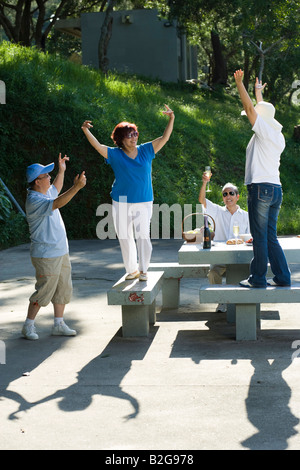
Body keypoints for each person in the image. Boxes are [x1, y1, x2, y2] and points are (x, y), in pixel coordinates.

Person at [81, 104, 175, 281]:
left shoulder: (146, 150)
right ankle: (132, 270)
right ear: (120, 139)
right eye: (129, 135)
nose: (134, 137)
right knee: (124, 237)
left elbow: (164, 137)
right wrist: (86, 131)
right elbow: (98, 146)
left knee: (143, 236)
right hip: (121, 200)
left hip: (143, 200)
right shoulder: (115, 154)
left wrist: (171, 119)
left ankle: (144, 269)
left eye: (135, 134)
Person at [234, 69, 291, 287]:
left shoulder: (263, 131)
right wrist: (259, 94)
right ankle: (283, 277)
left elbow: (250, 109)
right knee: (270, 237)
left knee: (259, 237)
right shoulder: (277, 134)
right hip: (275, 189)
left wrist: (240, 84)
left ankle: (257, 278)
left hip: (261, 189)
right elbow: (262, 112)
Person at [22, 153, 86, 340]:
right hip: (46, 254)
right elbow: (57, 203)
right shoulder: (34, 200)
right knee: (44, 291)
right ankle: (28, 326)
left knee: (63, 289)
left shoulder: (45, 191)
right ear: (37, 181)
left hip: (60, 250)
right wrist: (76, 188)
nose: (49, 177)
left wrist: (62, 170)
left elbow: (56, 189)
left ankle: (58, 324)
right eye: (46, 176)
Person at [199, 173, 250, 312]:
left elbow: (250, 237)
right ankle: (221, 301)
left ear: (237, 196)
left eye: (231, 193)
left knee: (247, 273)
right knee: (212, 273)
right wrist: (204, 182)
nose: (228, 196)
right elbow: (202, 200)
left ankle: (243, 303)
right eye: (225, 194)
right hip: (221, 258)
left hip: (240, 258)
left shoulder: (246, 215)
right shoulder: (218, 212)